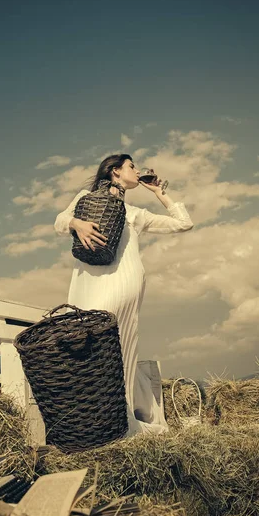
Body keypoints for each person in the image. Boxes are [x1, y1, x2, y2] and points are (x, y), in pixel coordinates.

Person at [54, 154, 193, 436]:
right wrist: (77, 224)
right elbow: (60, 220)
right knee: (92, 348)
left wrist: (159, 193)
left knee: (116, 349)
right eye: (132, 166)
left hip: (124, 282)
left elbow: (183, 223)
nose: (137, 169)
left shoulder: (135, 214)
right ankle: (102, 418)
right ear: (115, 172)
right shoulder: (86, 198)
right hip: (88, 283)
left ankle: (120, 420)